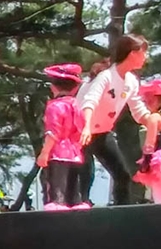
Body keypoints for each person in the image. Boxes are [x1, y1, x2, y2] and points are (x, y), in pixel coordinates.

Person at [78, 34, 152, 205]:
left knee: (122, 176)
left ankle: (122, 219)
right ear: (132, 53)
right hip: (80, 132)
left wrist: (155, 121)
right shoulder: (106, 76)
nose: (146, 57)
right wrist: (87, 127)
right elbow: (90, 101)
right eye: (144, 52)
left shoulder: (131, 81)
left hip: (102, 133)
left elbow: (138, 111)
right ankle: (79, 217)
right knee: (84, 177)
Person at [36, 64, 88, 210]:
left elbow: (53, 132)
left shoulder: (55, 106)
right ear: (75, 88)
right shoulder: (77, 106)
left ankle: (58, 204)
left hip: (58, 153)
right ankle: (77, 203)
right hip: (75, 153)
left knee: (57, 189)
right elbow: (80, 129)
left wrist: (44, 153)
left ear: (53, 87)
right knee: (73, 188)